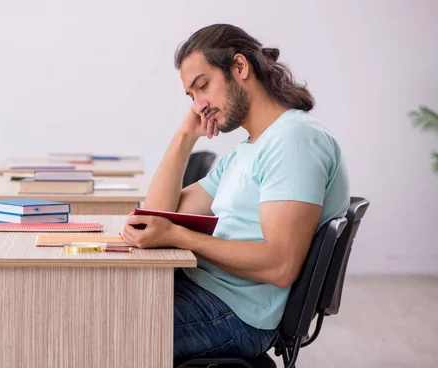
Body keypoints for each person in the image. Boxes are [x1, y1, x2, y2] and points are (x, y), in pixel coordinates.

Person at [120, 24, 350, 362]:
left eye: (203, 87)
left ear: (240, 67)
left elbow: (280, 266)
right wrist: (185, 135)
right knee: (86, 309)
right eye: (191, 97)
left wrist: (182, 237)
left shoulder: (294, 141)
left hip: (234, 315)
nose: (200, 105)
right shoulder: (247, 150)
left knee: (92, 330)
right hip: (203, 292)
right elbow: (154, 218)